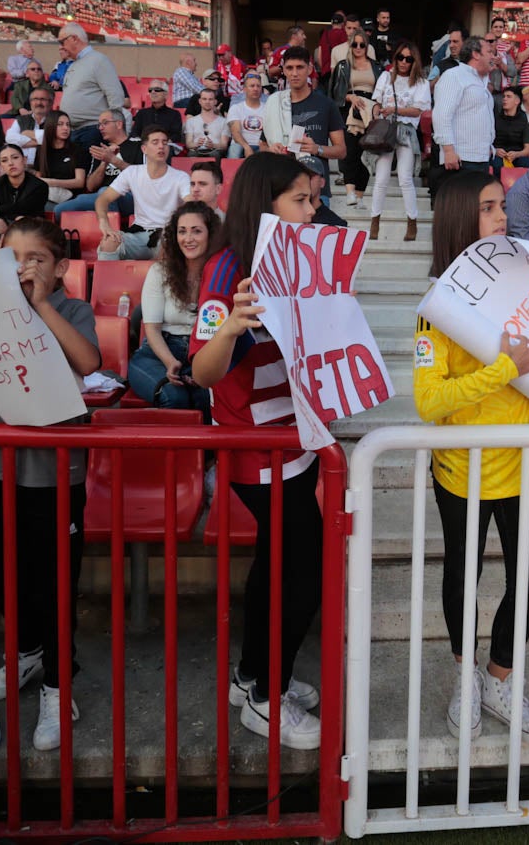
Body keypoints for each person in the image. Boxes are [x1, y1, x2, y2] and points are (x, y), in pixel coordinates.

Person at [189, 151, 324, 749]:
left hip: (294, 433)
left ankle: (254, 677)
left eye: (313, 198)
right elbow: (202, 371)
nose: (312, 210)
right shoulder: (227, 269)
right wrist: (230, 328)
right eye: (300, 199)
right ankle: (266, 699)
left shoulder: (297, 257)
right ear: (265, 203)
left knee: (280, 560)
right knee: (303, 568)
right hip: (255, 444)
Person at [415, 169, 529, 741]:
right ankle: (463, 678)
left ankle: (499, 679)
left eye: (502, 206)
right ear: (457, 221)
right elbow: (429, 402)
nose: (502, 218)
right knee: (462, 581)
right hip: (464, 471)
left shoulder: (528, 283)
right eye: (488, 208)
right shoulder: (437, 307)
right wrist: (505, 369)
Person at [0, 217, 101, 752]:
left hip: (55, 469)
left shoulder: (72, 309)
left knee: (54, 582)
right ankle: (26, 651)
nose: (24, 268)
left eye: (37, 259)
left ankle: (57, 683)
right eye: (14, 258)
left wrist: (43, 305)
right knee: (0, 574)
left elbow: (89, 361)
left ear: (61, 267)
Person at [132, 201, 218, 415]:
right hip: (159, 353)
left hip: (206, 352)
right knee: (174, 396)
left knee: (205, 397)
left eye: (196, 231)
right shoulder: (159, 271)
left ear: (211, 235)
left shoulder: (221, 273)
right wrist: (171, 362)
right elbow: (151, 329)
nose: (188, 239)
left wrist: (201, 366)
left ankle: (207, 450)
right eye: (182, 231)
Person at [261, 48, 346, 201]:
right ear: (284, 71)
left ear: (310, 69)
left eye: (299, 67)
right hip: (282, 186)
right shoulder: (275, 103)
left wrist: (317, 149)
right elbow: (262, 145)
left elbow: (341, 150)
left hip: (317, 190)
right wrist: (271, 149)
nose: (294, 73)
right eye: (289, 68)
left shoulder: (326, 104)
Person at [95, 127, 190, 260]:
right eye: (155, 142)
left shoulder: (181, 177)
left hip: (167, 234)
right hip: (139, 234)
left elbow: (191, 204)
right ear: (144, 149)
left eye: (164, 142)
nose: (161, 146)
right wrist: (104, 222)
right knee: (108, 243)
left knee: (168, 248)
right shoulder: (133, 172)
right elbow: (103, 199)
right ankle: (110, 281)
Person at [368, 43, 431, 242]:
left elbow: (417, 111)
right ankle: (374, 221)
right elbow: (377, 101)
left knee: (405, 178)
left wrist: (394, 109)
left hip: (406, 131)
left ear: (415, 62)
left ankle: (412, 221)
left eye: (408, 59)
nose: (404, 62)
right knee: (381, 179)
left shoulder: (420, 82)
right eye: (400, 58)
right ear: (395, 58)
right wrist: (377, 111)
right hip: (386, 130)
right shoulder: (386, 76)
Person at [430, 38, 497, 189]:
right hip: (460, 159)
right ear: (476, 54)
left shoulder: (483, 82)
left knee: (475, 210)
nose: (493, 57)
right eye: (489, 52)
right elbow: (441, 115)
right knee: (459, 209)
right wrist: (448, 151)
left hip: (481, 158)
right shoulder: (454, 76)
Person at [331, 35, 381, 206]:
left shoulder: (377, 66)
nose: (358, 47)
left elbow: (383, 90)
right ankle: (350, 191)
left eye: (362, 44)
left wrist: (377, 107)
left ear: (367, 46)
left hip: (371, 110)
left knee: (366, 154)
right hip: (350, 109)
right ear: (350, 45)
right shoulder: (343, 66)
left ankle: (359, 196)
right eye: (355, 44)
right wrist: (350, 97)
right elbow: (335, 92)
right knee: (350, 151)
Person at [56, 23, 126, 142]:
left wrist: (113, 130)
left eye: (62, 42)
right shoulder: (73, 64)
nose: (61, 47)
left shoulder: (98, 60)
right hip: (73, 131)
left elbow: (115, 95)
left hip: (93, 130)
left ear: (74, 38)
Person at [0, 143, 49, 231]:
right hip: (0, 229)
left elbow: (25, 208)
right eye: (4, 160)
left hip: (32, 230)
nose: (10, 163)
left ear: (24, 160)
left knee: (21, 220)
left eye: (15, 158)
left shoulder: (40, 186)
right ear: (1, 166)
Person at [228, 72, 267, 157]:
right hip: (241, 145)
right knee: (235, 148)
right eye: (252, 86)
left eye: (258, 86)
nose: (255, 89)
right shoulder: (236, 108)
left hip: (261, 145)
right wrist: (247, 147)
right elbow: (235, 133)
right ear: (244, 89)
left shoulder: (268, 108)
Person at [184, 88, 230, 158]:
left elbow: (224, 145)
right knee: (192, 154)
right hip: (196, 151)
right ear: (200, 101)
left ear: (215, 102)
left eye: (210, 99)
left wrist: (213, 145)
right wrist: (196, 144)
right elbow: (188, 143)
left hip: (215, 151)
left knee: (215, 154)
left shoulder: (224, 122)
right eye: (204, 99)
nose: (207, 102)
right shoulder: (191, 121)